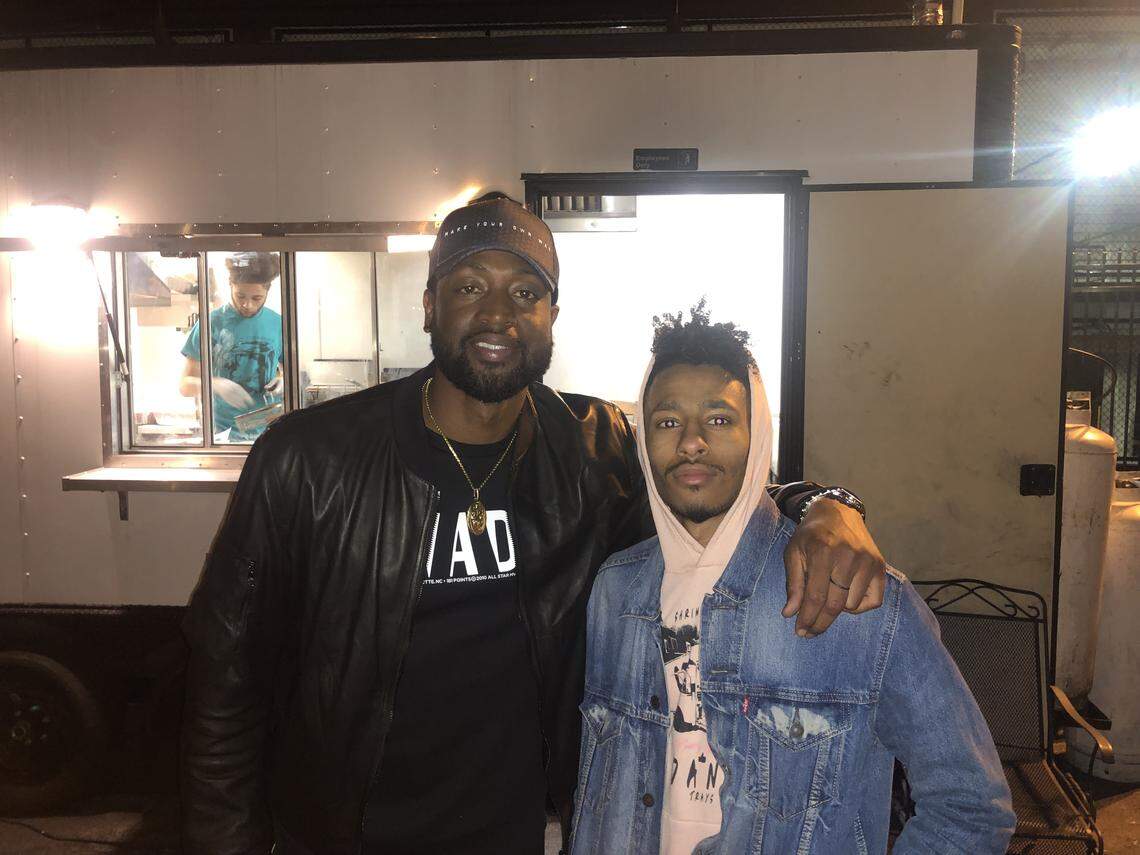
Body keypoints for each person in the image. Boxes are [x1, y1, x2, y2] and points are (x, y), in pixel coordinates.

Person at [181, 193, 889, 855]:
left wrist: (824, 505)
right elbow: (223, 679)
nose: (498, 313)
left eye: (525, 293)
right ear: (428, 305)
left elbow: (720, 492)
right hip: (343, 833)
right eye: (468, 287)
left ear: (552, 316)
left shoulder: (596, 449)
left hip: (521, 834)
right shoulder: (307, 460)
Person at [571, 305, 1015, 855]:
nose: (691, 442)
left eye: (719, 419)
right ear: (643, 440)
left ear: (758, 437)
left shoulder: (857, 596)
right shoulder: (616, 591)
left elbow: (971, 805)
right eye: (667, 421)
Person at [179, 251, 284, 442]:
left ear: (268, 290)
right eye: (240, 295)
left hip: (270, 431)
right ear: (230, 285)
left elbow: (293, 374)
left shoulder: (278, 323)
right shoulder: (210, 324)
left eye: (257, 298)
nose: (247, 304)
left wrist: (283, 381)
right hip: (222, 436)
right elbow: (185, 385)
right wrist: (216, 385)